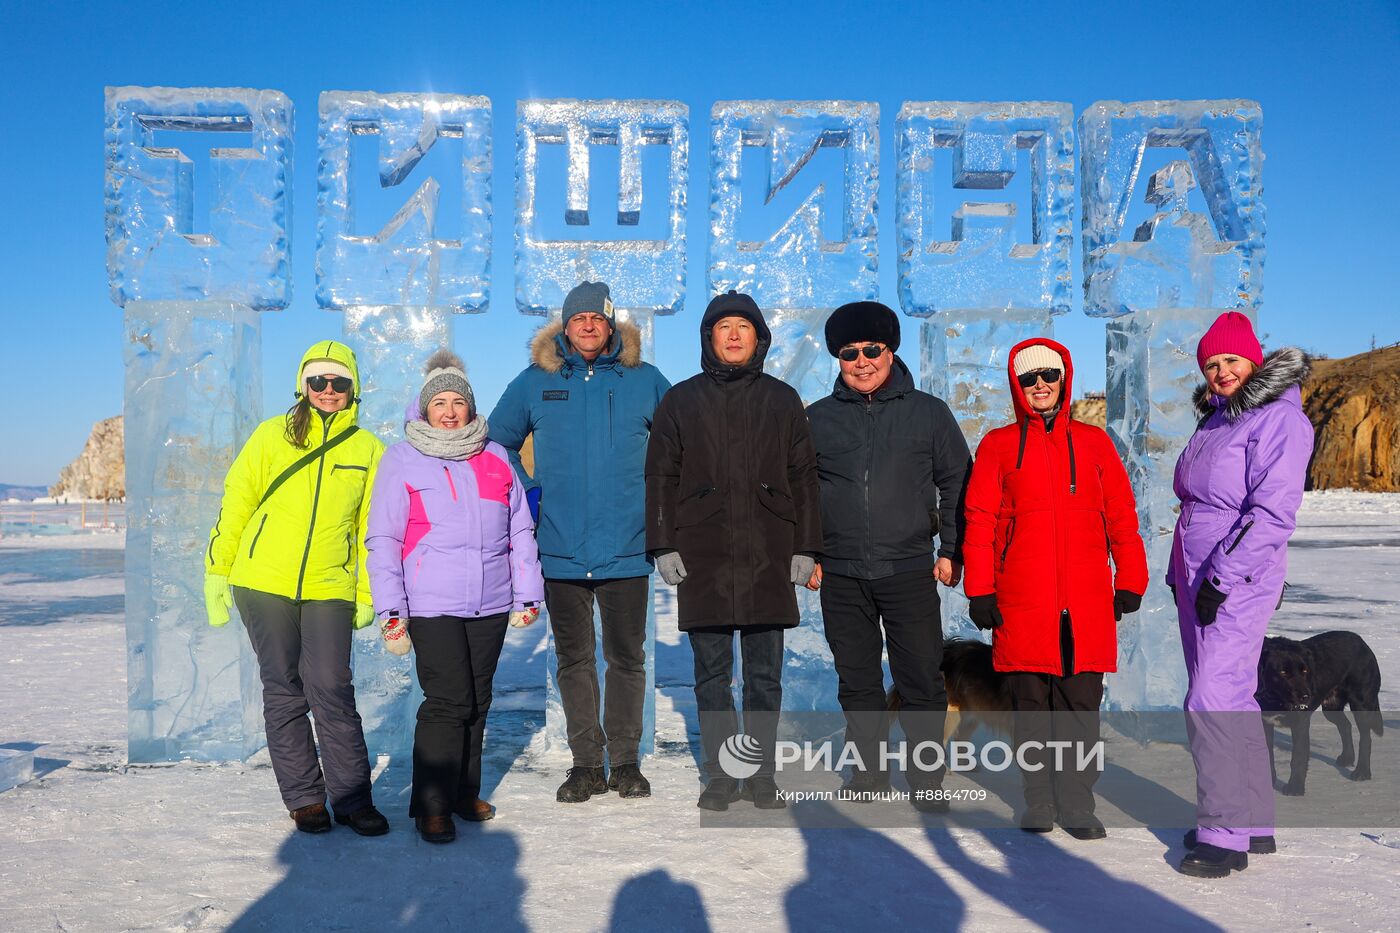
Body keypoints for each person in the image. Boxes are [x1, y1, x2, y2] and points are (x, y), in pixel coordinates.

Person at [489, 281, 671, 803]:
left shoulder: (647, 380)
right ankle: (587, 765)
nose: (588, 326)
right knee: (574, 660)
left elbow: (680, 446)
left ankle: (627, 763)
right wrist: (529, 495)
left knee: (627, 659)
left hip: (627, 548)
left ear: (611, 326)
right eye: (578, 319)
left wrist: (659, 507)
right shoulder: (534, 382)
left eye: (597, 319)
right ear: (565, 327)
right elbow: (497, 441)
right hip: (560, 548)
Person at [961, 337, 1148, 839]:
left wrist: (1129, 578)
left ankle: (1078, 804)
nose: (1039, 385)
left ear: (1063, 379)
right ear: (1017, 386)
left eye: (1048, 376)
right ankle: (1039, 801)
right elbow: (977, 520)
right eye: (1028, 379)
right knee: (1030, 712)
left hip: (1086, 604)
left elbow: (1122, 518)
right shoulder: (998, 445)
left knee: (1080, 712)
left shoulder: (1094, 443)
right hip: (1022, 603)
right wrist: (980, 589)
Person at [645, 290, 822, 811]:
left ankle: (762, 776)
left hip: (770, 550)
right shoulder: (681, 399)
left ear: (758, 338)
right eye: (724, 328)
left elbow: (805, 478)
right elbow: (660, 476)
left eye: (744, 327)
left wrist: (807, 546)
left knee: (765, 677)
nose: (734, 335)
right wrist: (662, 543)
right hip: (705, 554)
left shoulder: (783, 399)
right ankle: (724, 776)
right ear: (709, 338)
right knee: (712, 676)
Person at [203, 341, 388, 836]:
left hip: (331, 584)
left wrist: (368, 593)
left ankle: (351, 798)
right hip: (262, 582)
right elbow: (236, 502)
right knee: (284, 688)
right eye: (319, 381)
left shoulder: (369, 449)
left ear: (354, 389)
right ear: (303, 386)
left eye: (340, 382)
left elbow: (374, 528)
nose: (329, 391)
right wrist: (217, 570)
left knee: (331, 686)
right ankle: (305, 797)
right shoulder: (270, 437)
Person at [366, 350, 543, 844]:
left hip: (489, 601)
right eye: (439, 402)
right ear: (424, 409)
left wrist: (527, 593)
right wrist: (391, 611)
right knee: (447, 701)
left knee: (479, 701)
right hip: (430, 603)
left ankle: (465, 794)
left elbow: (519, 531)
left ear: (470, 406)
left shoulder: (495, 457)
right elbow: (384, 538)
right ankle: (432, 805)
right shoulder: (402, 458)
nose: (449, 410)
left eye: (458, 401)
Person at [804, 300, 970, 811]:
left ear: (890, 350)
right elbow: (800, 494)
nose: (862, 361)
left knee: (921, 677)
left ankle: (926, 779)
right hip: (841, 571)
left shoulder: (929, 413)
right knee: (856, 678)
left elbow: (957, 483)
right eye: (849, 353)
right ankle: (870, 772)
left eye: (871, 350)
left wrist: (952, 550)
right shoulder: (816, 419)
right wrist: (807, 553)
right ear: (838, 358)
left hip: (908, 569)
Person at [1170, 312, 1313, 878]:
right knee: (1234, 697)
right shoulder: (1219, 419)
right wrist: (1182, 573)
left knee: (1211, 697)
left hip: (1235, 579)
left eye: (1231, 360)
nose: (1221, 371)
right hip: (1196, 575)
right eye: (1211, 364)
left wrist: (1222, 577)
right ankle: (1252, 821)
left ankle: (1223, 833)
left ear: (1254, 360)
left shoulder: (1279, 420)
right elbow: (1198, 505)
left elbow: (1272, 513)